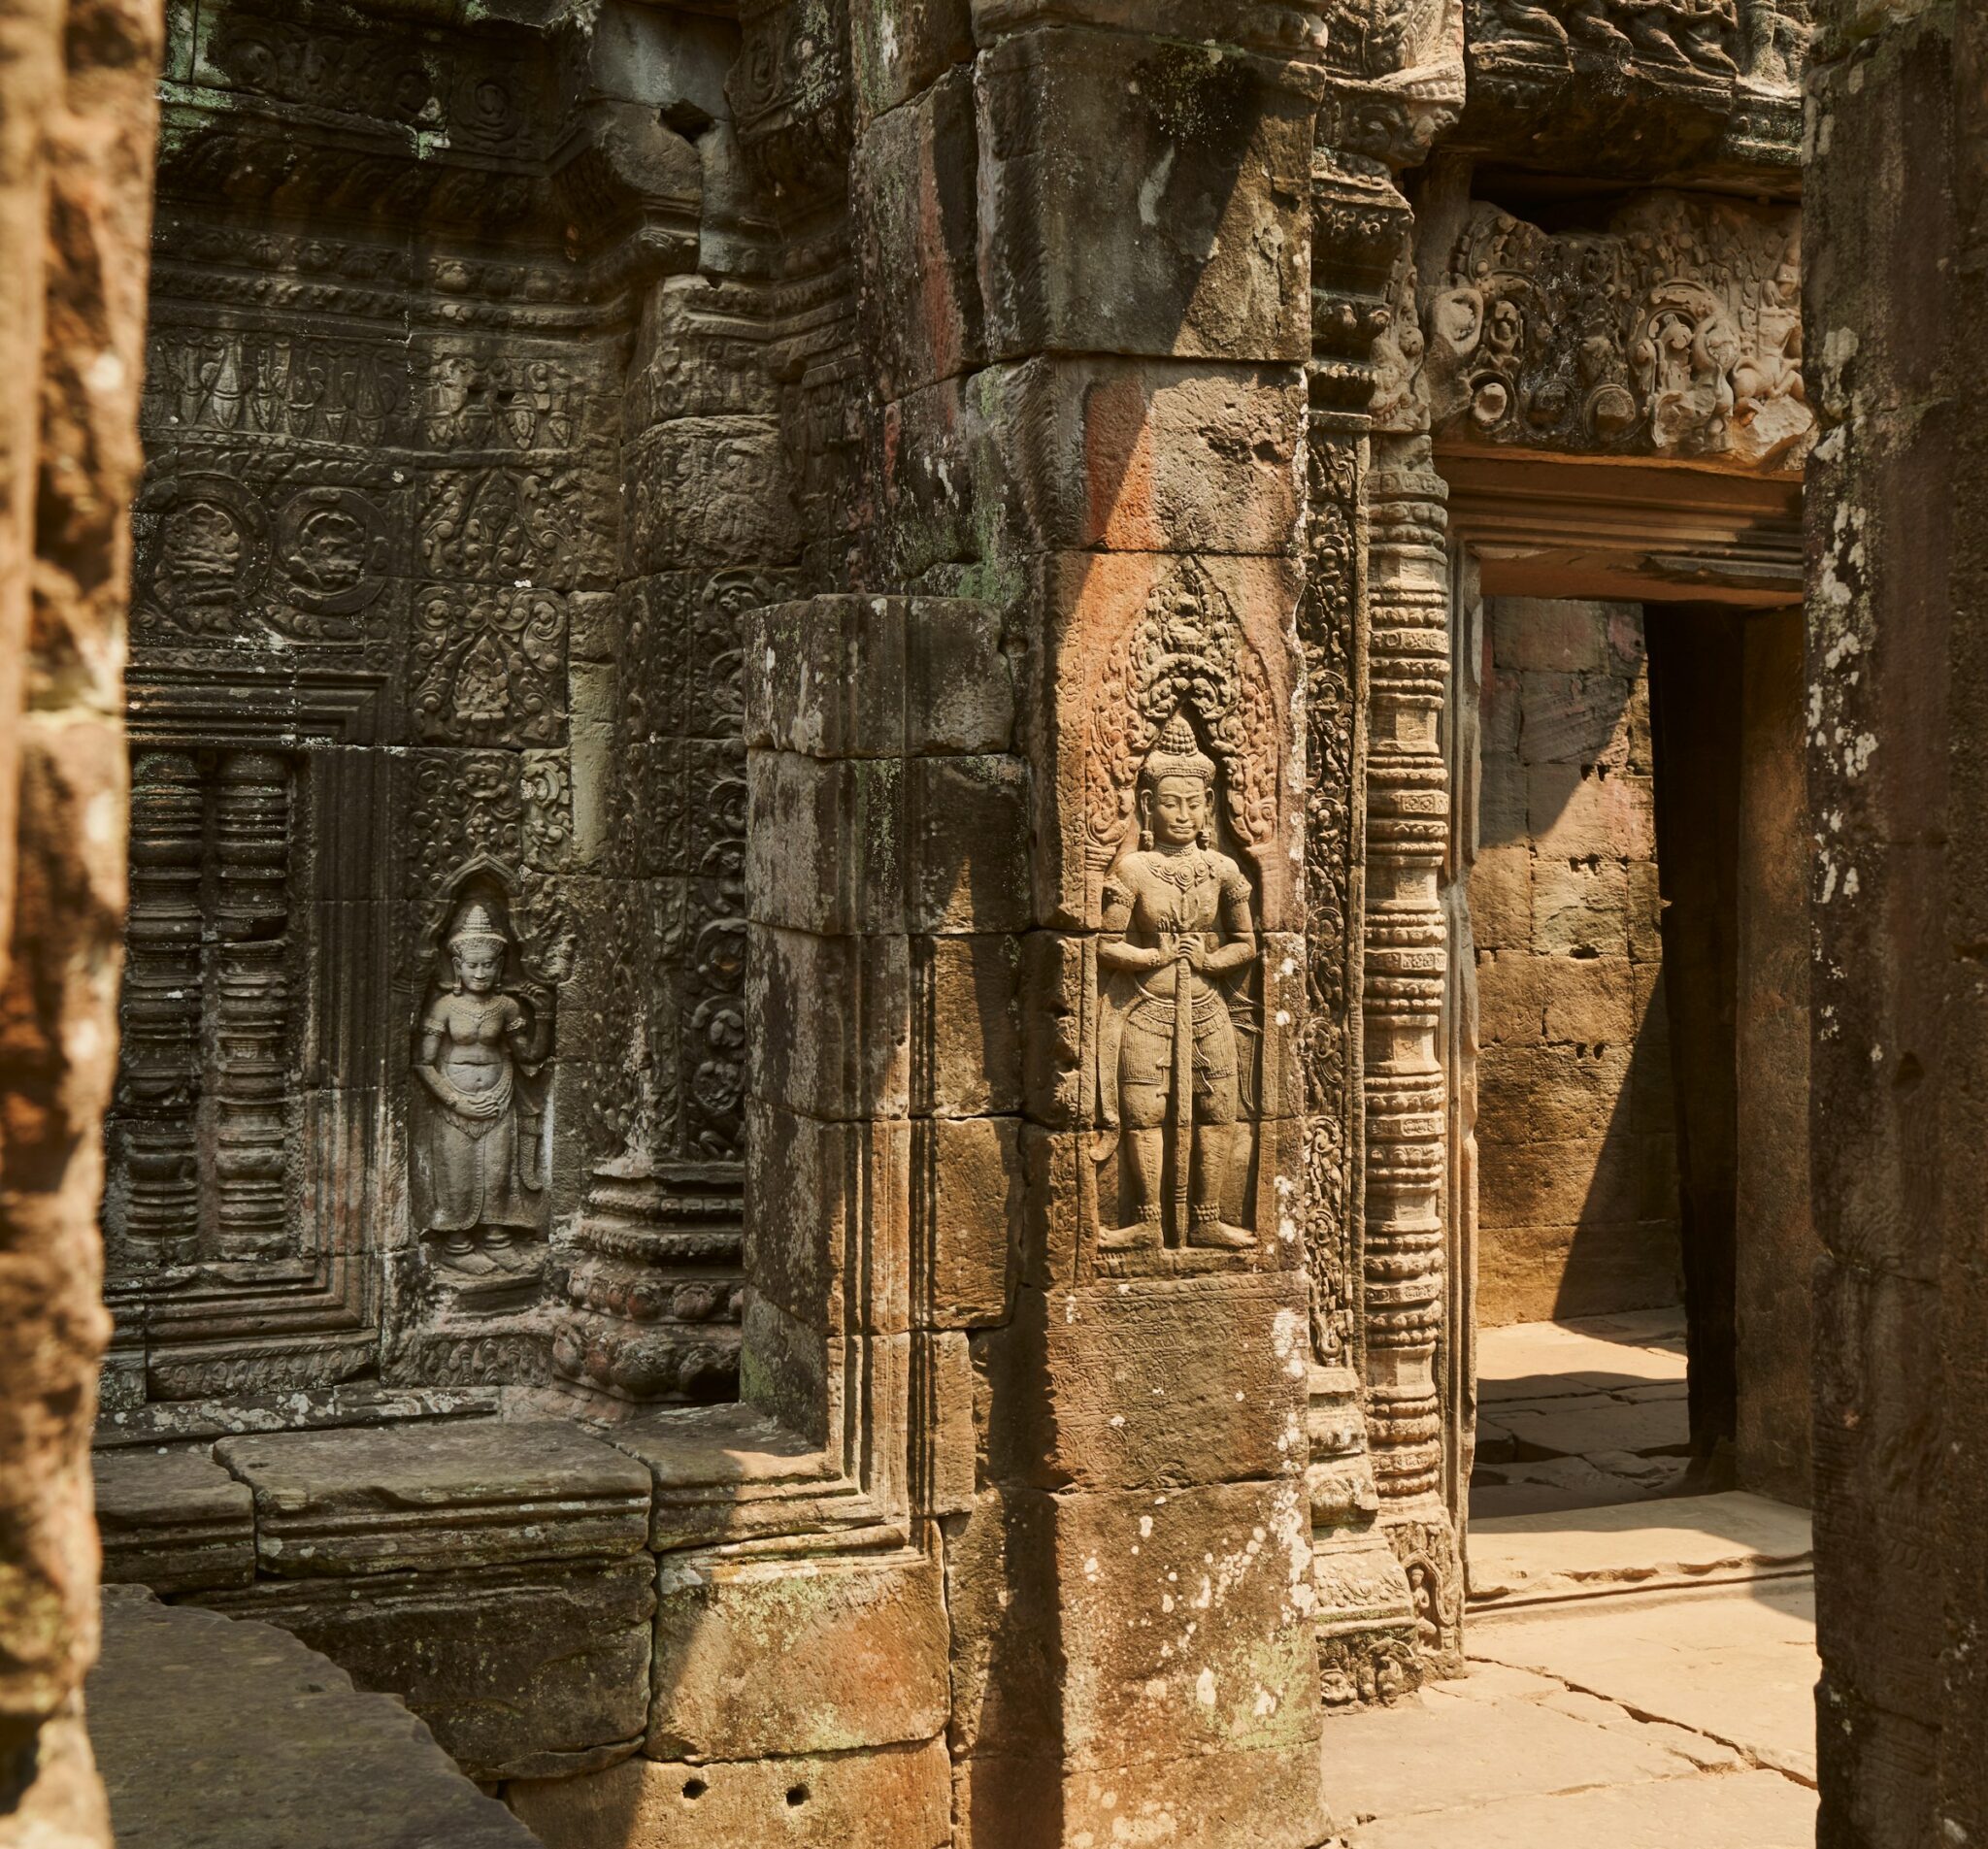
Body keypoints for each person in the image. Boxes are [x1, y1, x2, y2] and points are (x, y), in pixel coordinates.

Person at [1097, 710, 1258, 1251]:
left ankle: (1207, 1218)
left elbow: (1248, 945)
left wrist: (1211, 961)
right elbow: (1105, 944)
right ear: (1148, 806)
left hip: (1209, 1010)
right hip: (1148, 1008)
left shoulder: (1225, 870)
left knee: (1217, 1112)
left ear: (1209, 806)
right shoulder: (1133, 871)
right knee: (1145, 1116)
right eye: (1170, 802)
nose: (1182, 814)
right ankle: (1147, 1219)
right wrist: (1151, 955)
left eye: (1192, 803)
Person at [414, 901, 545, 1266]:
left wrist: (545, 1014)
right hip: (455, 1103)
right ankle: (457, 1244)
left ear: (500, 966)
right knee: (457, 1174)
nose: (481, 972)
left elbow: (530, 1056)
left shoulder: (506, 1007)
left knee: (496, 1172)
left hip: (498, 1098)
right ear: (458, 967)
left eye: (488, 965)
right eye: (472, 965)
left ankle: (497, 1237)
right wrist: (456, 1101)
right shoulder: (444, 1006)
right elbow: (423, 1062)